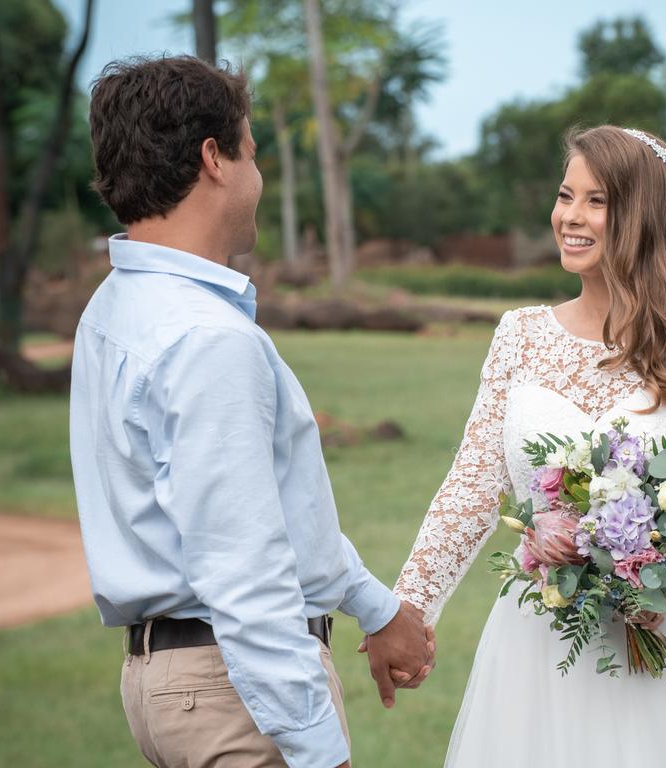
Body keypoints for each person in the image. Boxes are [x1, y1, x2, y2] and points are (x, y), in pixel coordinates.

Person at [69, 55, 434, 768]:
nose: (258, 178)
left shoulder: (112, 309)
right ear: (215, 160)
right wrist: (320, 750)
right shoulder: (208, 337)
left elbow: (269, 513)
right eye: (253, 153)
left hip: (169, 684)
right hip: (234, 697)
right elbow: (244, 568)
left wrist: (373, 607)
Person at [390, 125, 666, 766]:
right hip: (543, 640)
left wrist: (662, 570)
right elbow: (472, 483)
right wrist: (409, 609)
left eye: (597, 201)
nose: (569, 217)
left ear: (644, 216)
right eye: (565, 195)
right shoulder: (519, 334)